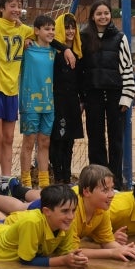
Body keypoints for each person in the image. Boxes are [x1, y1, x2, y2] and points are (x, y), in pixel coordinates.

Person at [78, 0, 135, 186]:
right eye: (99, 14)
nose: (103, 17)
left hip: (115, 95)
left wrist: (127, 97)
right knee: (95, 138)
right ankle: (97, 180)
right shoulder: (84, 37)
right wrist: (81, 97)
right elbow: (80, 70)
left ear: (111, 15)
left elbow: (127, 68)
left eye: (106, 13)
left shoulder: (120, 37)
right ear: (93, 16)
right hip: (92, 94)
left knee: (116, 139)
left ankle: (116, 181)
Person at [0, 0, 33, 184]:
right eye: (11, 5)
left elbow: (44, 33)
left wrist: (27, 36)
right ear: (1, 8)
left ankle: (6, 179)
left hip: (13, 90)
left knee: (9, 137)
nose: (15, 9)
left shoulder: (23, 30)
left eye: (18, 5)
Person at [17, 14, 57, 189]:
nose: (51, 32)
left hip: (49, 103)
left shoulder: (54, 51)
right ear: (37, 31)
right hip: (30, 103)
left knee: (44, 142)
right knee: (28, 141)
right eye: (47, 29)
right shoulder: (27, 49)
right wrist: (26, 39)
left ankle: (44, 183)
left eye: (53, 29)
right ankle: (25, 182)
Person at [48, 11, 83, 185]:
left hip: (73, 101)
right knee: (57, 140)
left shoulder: (79, 51)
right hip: (57, 100)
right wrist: (64, 48)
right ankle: (58, 177)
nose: (70, 31)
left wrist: (82, 100)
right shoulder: (54, 50)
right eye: (66, 27)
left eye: (73, 27)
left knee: (69, 142)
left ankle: (67, 177)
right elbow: (36, 33)